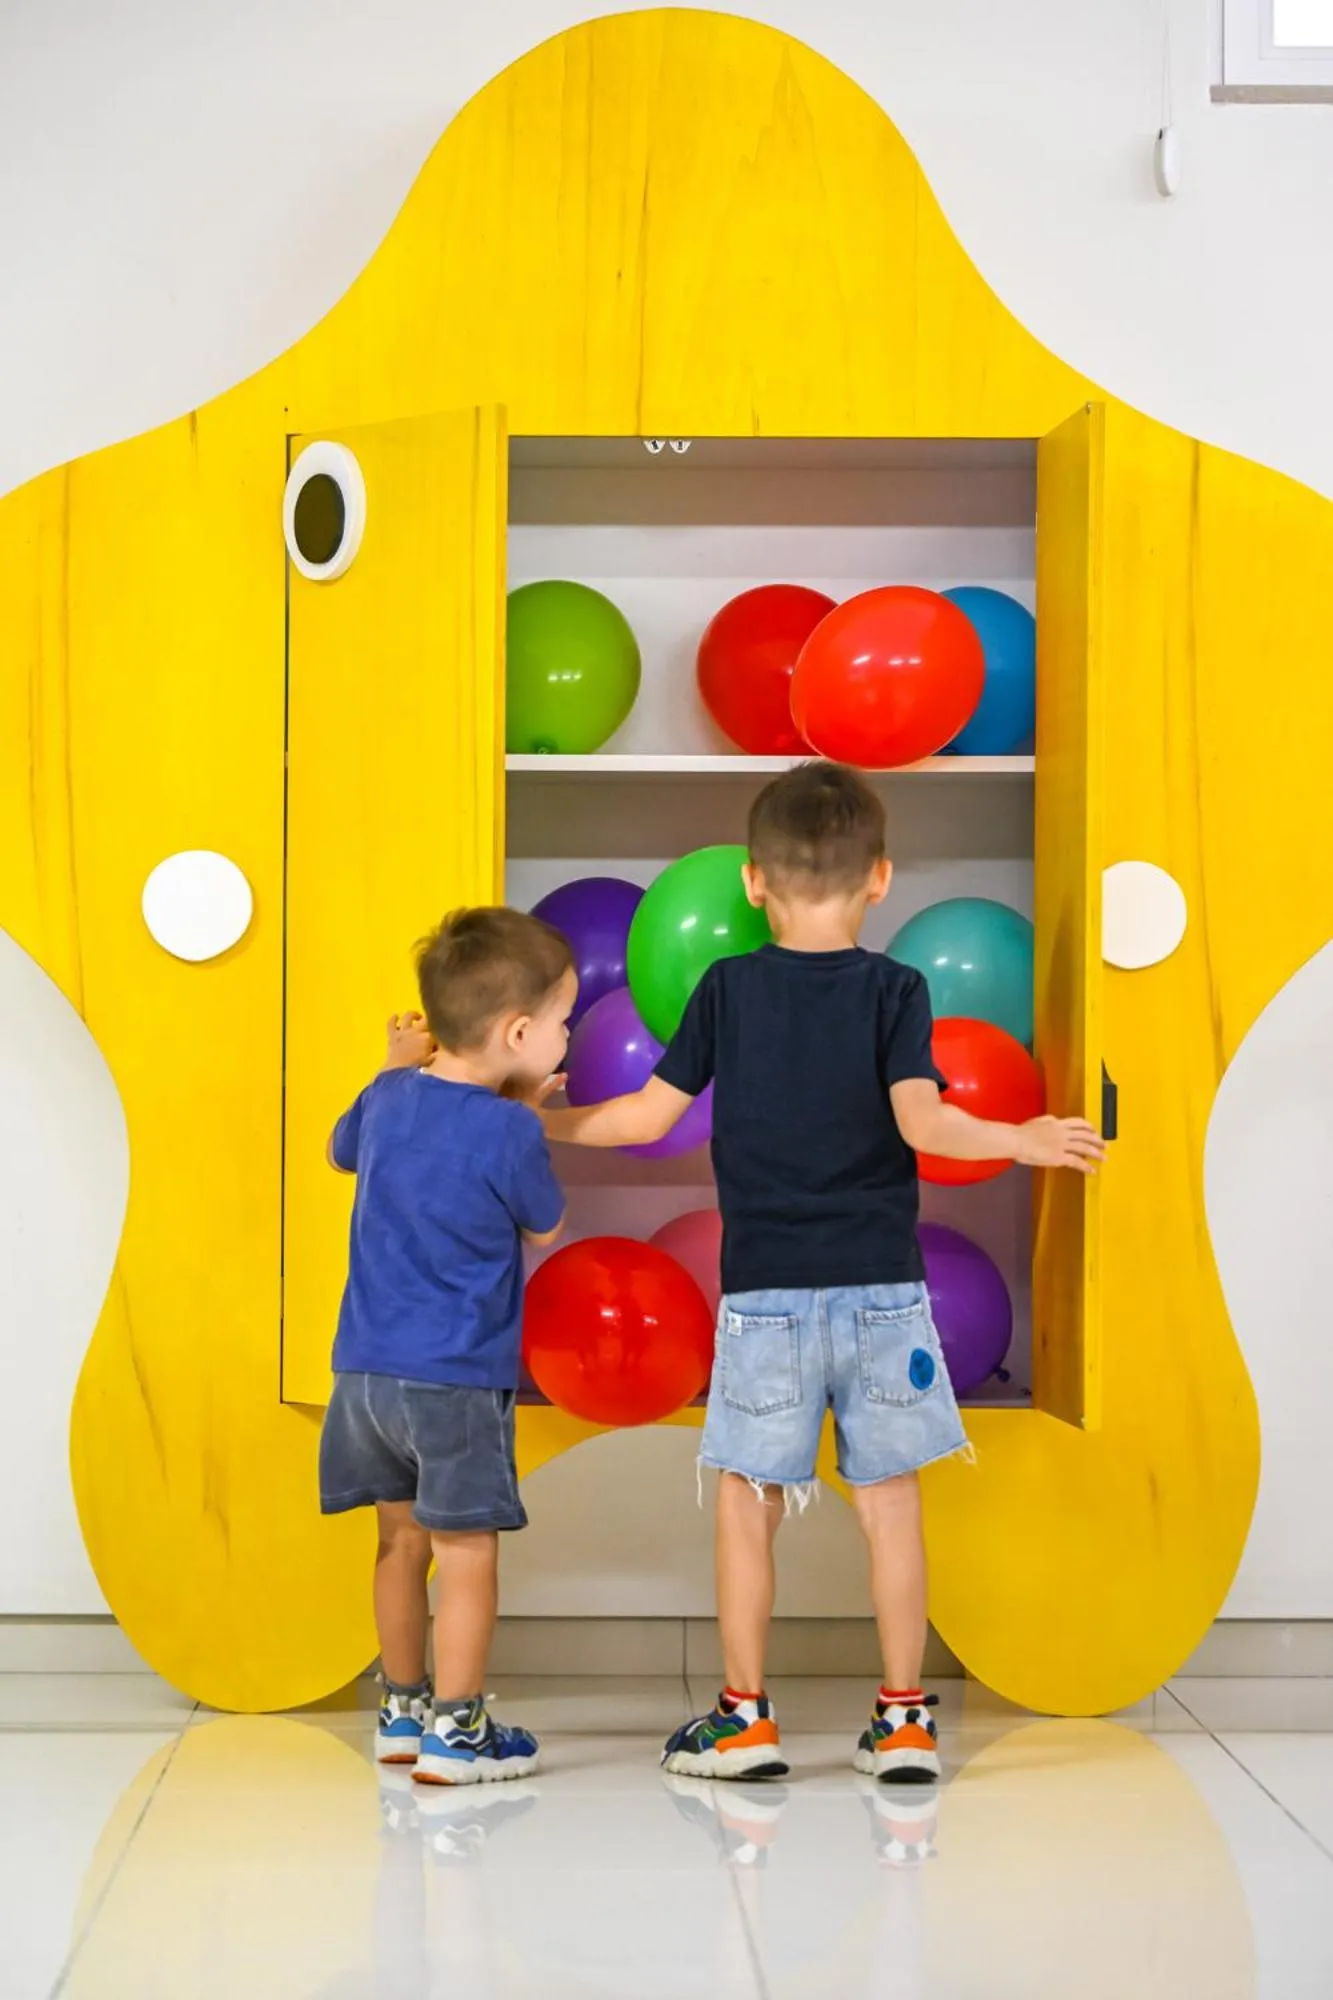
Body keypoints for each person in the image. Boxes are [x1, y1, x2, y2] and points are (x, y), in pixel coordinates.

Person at [543, 763, 1103, 1785]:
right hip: (886, 1289)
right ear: (878, 878)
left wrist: (532, 1119)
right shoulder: (897, 988)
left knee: (746, 1497)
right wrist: (1020, 1136)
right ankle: (901, 1720)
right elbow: (922, 1122)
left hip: (766, 1298)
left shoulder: (726, 987)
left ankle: (745, 1717)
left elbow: (644, 1121)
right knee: (890, 1501)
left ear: (753, 881)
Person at [319, 907, 575, 1785]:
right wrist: (529, 1117)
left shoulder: (389, 1096)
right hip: (453, 1380)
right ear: (515, 1033)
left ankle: (401, 1707)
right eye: (560, 1021)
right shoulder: (509, 1129)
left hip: (364, 1373)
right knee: (467, 1552)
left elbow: (341, 1149)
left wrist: (390, 1069)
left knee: (399, 1542)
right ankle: (459, 1732)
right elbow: (545, 1225)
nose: (566, 1034)